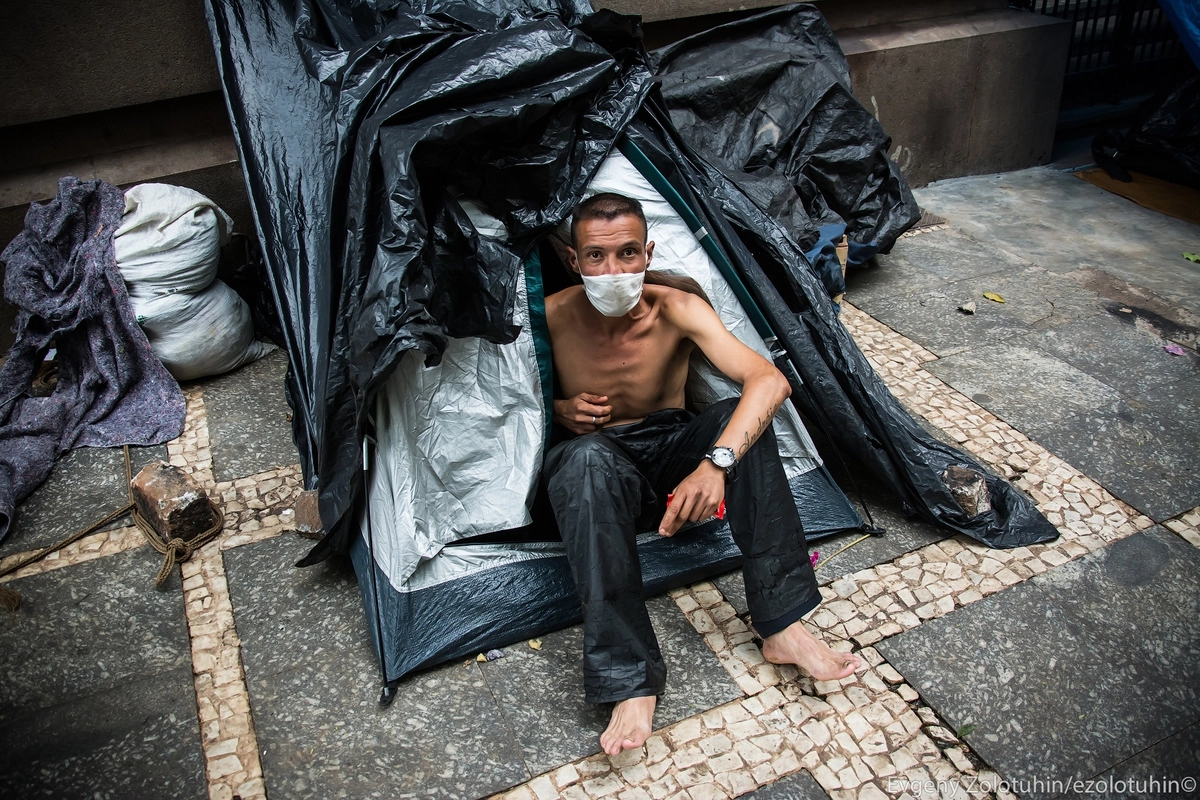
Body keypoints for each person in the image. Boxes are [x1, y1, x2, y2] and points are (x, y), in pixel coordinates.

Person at [543, 192, 863, 757]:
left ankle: (782, 624)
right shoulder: (549, 314)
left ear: (648, 253)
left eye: (627, 253)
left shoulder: (676, 308)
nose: (612, 270)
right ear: (574, 260)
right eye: (596, 256)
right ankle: (630, 680)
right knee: (584, 459)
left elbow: (769, 381)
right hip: (599, 467)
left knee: (737, 420)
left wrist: (716, 463)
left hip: (671, 446)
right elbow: (500, 405)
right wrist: (557, 410)